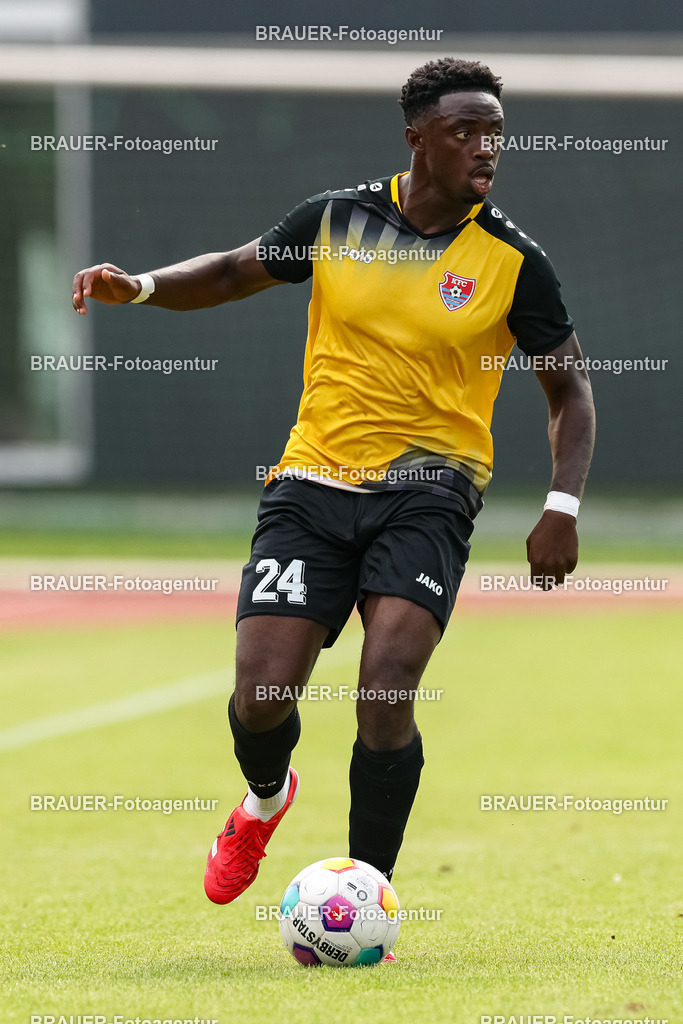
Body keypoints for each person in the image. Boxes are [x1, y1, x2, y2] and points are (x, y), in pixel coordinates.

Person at [72, 57, 595, 908]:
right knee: (260, 697)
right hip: (312, 483)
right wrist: (141, 289)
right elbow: (234, 271)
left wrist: (560, 506)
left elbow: (569, 390)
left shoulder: (511, 259)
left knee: (385, 688)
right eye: (464, 130)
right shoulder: (336, 219)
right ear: (416, 138)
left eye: (494, 132)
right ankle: (264, 801)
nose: (484, 147)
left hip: (430, 492)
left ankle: (366, 893)